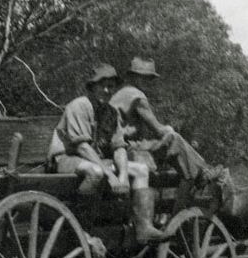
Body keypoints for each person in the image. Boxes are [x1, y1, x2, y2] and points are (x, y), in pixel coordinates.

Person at [47, 64, 168, 244]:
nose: (106, 90)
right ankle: (81, 228)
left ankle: (144, 228)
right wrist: (111, 174)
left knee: (141, 170)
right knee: (96, 172)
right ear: (92, 87)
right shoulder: (79, 106)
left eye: (111, 86)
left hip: (96, 161)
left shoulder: (110, 112)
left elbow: (119, 147)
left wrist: (124, 175)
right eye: (102, 85)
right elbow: (82, 147)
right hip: (66, 158)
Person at [109, 56, 231, 207]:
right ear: (134, 77)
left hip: (119, 148)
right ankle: (203, 171)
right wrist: (168, 129)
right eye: (144, 78)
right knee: (173, 138)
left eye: (149, 79)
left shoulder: (123, 93)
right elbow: (158, 129)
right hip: (124, 149)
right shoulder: (137, 96)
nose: (147, 82)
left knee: (171, 141)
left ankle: (200, 171)